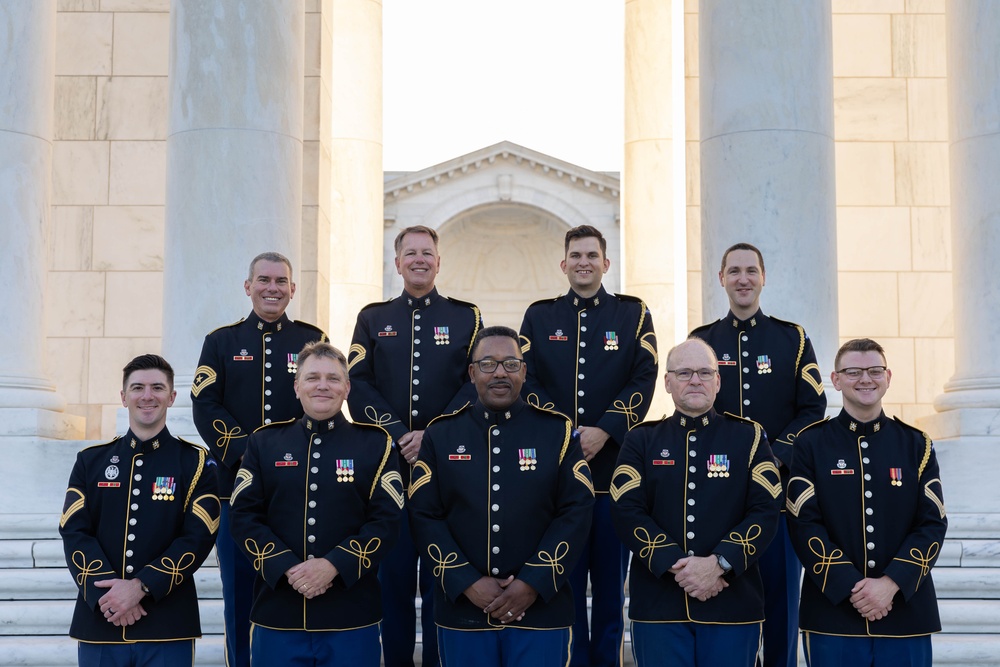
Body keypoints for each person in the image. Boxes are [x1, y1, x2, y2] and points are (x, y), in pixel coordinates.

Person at [408, 326, 595, 666]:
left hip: (541, 612)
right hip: (463, 612)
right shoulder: (441, 434)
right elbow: (424, 514)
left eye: (510, 363)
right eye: (488, 364)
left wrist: (532, 582)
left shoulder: (558, 432)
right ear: (471, 373)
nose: (499, 372)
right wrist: (466, 581)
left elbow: (576, 511)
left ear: (524, 371)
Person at [518, 224, 657, 667]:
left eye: (591, 255)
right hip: (557, 480)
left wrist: (605, 429)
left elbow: (644, 376)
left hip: (614, 478)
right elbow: (528, 379)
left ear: (605, 263)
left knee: (613, 596)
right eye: (575, 255)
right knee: (565, 589)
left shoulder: (632, 315)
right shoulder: (539, 316)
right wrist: (566, 435)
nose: (583, 262)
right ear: (563, 264)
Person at [347, 224, 483, 667]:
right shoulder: (373, 318)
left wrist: (433, 435)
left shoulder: (468, 316)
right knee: (395, 583)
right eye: (411, 253)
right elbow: (358, 383)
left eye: (427, 252)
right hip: (388, 470)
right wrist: (398, 432)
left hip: (449, 471)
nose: (419, 259)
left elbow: (477, 382)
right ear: (397, 262)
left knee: (446, 578)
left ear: (439, 262)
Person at [690, 241, 826, 667]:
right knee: (726, 607)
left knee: (782, 605)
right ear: (721, 279)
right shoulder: (702, 341)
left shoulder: (792, 338)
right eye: (734, 271)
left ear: (763, 277)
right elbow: (693, 409)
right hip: (720, 498)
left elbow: (813, 408)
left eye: (751, 271)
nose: (743, 279)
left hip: (779, 500)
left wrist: (772, 454)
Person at [190, 251, 327, 667]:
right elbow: (205, 403)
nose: (273, 288)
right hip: (236, 490)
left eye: (281, 281)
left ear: (292, 289)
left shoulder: (312, 338)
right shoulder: (221, 342)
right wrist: (249, 454)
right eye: (264, 280)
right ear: (248, 287)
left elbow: (321, 400)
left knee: (294, 586)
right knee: (239, 591)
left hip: (296, 488)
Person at [229, 341, 403, 666]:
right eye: (312, 378)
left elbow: (387, 520)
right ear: (297, 387)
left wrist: (333, 565)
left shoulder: (376, 444)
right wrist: (286, 567)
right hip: (277, 613)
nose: (323, 385)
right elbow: (243, 516)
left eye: (333, 378)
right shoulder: (264, 443)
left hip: (352, 617)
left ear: (347, 388)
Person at [609, 338, 782, 666]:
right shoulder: (641, 439)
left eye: (705, 372)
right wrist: (680, 566)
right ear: (668, 382)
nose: (695, 380)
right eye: (684, 372)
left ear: (718, 381)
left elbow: (765, 509)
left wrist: (717, 565)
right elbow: (626, 509)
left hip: (733, 604)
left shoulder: (749, 437)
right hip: (660, 606)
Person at [785, 339, 947, 667]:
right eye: (854, 371)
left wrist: (890, 584)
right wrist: (850, 586)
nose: (865, 379)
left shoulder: (917, 444)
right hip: (833, 613)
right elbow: (803, 522)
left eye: (874, 371)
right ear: (836, 379)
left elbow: (932, 523)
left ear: (888, 377)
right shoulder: (810, 444)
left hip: (905, 610)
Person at [60, 354, 220, 666]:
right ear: (123, 397)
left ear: (172, 397)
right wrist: (110, 596)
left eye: (157, 388)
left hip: (167, 624)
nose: (147, 396)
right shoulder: (91, 461)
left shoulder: (198, 463)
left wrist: (141, 586)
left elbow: (197, 538)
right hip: (101, 621)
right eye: (137, 388)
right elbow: (74, 531)